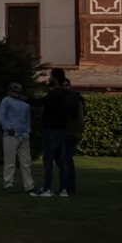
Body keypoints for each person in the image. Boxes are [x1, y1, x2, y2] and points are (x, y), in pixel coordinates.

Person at [36, 68, 84, 198]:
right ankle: (63, 189)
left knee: (48, 161)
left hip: (51, 129)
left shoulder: (54, 94)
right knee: (61, 161)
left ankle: (46, 188)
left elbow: (40, 102)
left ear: (55, 78)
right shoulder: (69, 95)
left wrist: (29, 97)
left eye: (51, 76)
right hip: (62, 130)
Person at [0, 81, 34, 193]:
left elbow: (28, 119)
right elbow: (2, 115)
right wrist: (8, 128)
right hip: (11, 134)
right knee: (10, 161)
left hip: (23, 135)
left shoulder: (25, 105)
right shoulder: (6, 101)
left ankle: (29, 185)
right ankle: (8, 183)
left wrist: (27, 132)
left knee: (26, 162)